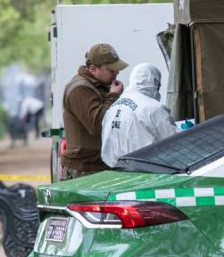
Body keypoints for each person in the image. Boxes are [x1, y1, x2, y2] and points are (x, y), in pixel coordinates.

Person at [61, 43, 128, 179]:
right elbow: (97, 124)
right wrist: (113, 96)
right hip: (84, 169)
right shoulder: (80, 88)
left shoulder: (100, 86)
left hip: (95, 166)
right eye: (111, 70)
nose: (116, 73)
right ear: (93, 69)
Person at [101, 63, 178, 167]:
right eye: (158, 86)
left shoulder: (112, 108)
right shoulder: (154, 108)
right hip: (147, 172)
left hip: (117, 171)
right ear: (154, 83)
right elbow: (175, 141)